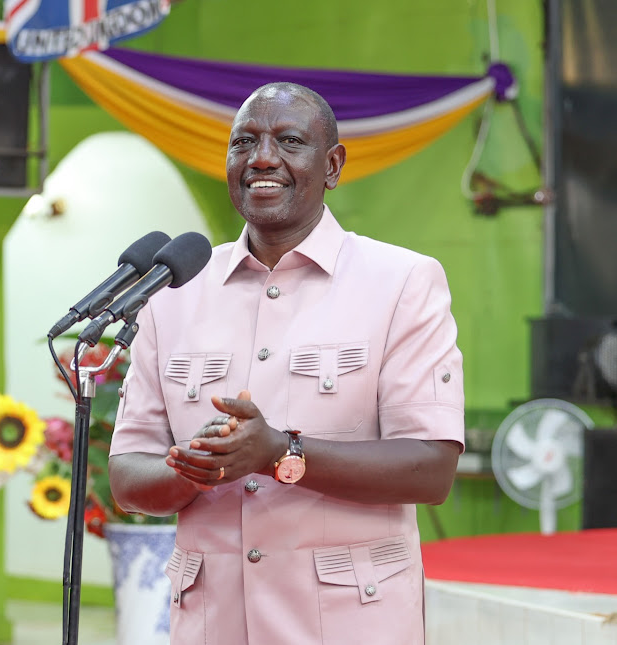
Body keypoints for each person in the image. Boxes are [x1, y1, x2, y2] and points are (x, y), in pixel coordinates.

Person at [108, 82, 465, 645]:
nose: (262, 158)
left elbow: (431, 469)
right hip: (212, 625)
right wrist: (193, 468)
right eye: (243, 142)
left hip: (352, 624)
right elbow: (128, 477)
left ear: (332, 165)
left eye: (289, 140)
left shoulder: (400, 282)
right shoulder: (174, 293)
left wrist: (280, 453)